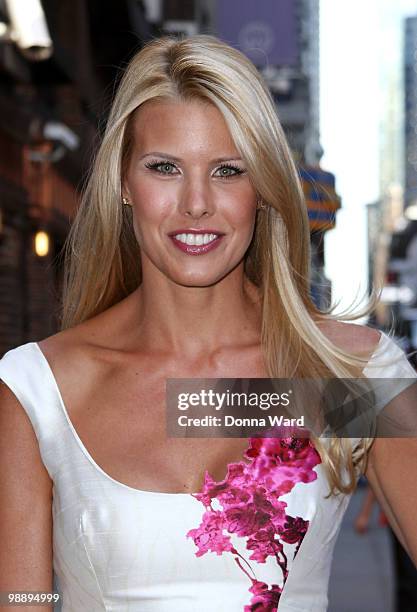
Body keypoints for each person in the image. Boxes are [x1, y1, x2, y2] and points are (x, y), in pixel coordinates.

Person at [0, 34, 416, 612]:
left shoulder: (347, 374)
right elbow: (20, 597)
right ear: (123, 182)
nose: (196, 203)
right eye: (164, 167)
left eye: (227, 170)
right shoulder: (39, 387)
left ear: (263, 189)